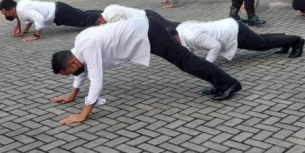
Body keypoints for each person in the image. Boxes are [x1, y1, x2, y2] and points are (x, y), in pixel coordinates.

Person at [50, 17, 243, 124]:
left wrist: (82, 115)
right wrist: (71, 96)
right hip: (145, 30)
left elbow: (96, 82)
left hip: (149, 32)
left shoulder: (87, 46)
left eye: (68, 73)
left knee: (186, 61)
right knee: (186, 62)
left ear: (73, 63)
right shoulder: (80, 46)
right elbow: (83, 72)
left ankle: (229, 83)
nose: (72, 75)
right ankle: (220, 83)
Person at [172, 18, 305, 64]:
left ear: (175, 37)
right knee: (261, 39)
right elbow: (189, 47)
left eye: (174, 43)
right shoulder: (181, 28)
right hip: (230, 27)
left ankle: (296, 41)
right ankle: (285, 41)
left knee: (262, 45)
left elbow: (215, 46)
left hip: (234, 32)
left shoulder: (191, 36)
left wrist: (208, 64)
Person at [0, 0, 101, 41]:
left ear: (12, 9)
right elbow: (30, 18)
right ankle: (106, 13)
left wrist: (36, 35)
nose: (6, 16)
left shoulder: (22, 9)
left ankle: (107, 17)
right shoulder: (20, 4)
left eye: (6, 13)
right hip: (59, 9)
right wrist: (25, 30)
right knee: (84, 15)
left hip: (60, 13)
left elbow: (38, 18)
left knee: (85, 20)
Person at [95, 4, 180, 31]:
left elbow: (124, 29)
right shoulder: (107, 9)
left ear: (99, 21)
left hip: (147, 19)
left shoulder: (113, 17)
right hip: (147, 14)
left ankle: (188, 26)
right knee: (171, 26)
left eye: (100, 25)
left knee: (171, 29)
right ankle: (187, 25)